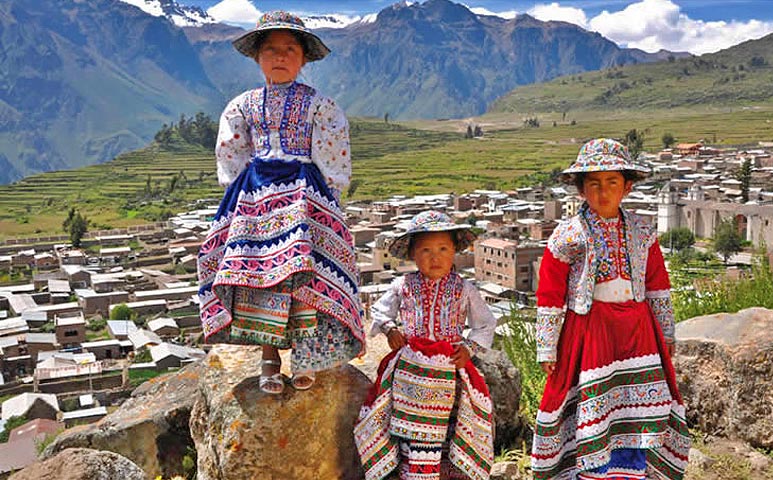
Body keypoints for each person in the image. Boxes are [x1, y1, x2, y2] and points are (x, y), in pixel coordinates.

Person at [197, 10, 364, 394]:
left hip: (305, 198)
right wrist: (235, 194)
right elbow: (231, 154)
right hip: (257, 198)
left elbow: (333, 156)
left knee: (309, 275)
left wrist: (331, 198)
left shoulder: (320, 106)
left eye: (290, 49)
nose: (280, 56)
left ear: (304, 58)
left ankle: (308, 355)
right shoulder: (242, 106)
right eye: (271, 49)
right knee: (260, 275)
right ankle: (269, 357)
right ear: (257, 56)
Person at [531, 139, 690, 479]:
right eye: (594, 184)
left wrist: (667, 332)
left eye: (612, 182)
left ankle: (630, 474)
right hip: (591, 335)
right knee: (596, 413)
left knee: (636, 411)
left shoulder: (642, 231)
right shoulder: (568, 236)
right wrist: (547, 346)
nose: (603, 192)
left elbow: (657, 284)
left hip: (638, 334)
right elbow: (550, 292)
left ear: (627, 186)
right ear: (581, 189)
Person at [355, 211, 496, 480]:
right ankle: (412, 471)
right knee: (408, 428)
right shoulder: (402, 285)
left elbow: (485, 324)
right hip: (411, 372)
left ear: (455, 250)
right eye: (425, 250)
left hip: (450, 371)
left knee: (451, 427)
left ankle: (446, 473)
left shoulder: (465, 289)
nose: (435, 257)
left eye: (443, 248)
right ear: (412, 254)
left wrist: (468, 349)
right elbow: (380, 311)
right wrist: (390, 329)